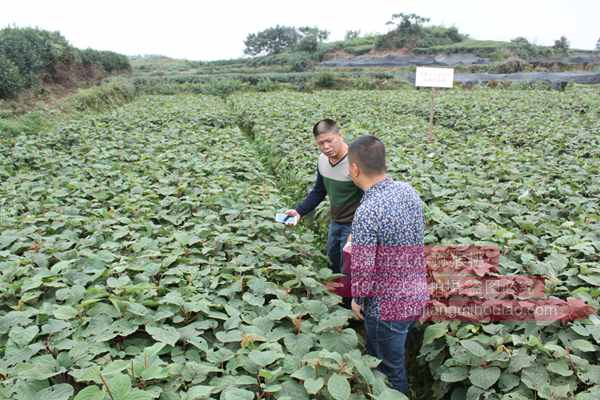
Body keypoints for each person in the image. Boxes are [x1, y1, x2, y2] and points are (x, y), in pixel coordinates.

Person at [347, 135, 429, 395]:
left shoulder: (368, 210)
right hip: (416, 293)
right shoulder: (408, 191)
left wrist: (357, 299)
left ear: (355, 169)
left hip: (386, 307)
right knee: (398, 357)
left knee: (388, 371)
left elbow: (364, 268)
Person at [286, 119, 363, 279]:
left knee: (349, 268)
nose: (326, 147)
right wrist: (299, 212)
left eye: (329, 141)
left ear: (340, 136)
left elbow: (371, 199)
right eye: (321, 143)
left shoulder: (356, 162)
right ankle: (336, 298)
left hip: (355, 226)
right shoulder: (322, 160)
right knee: (332, 260)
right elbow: (319, 191)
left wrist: (358, 231)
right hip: (336, 222)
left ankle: (349, 303)